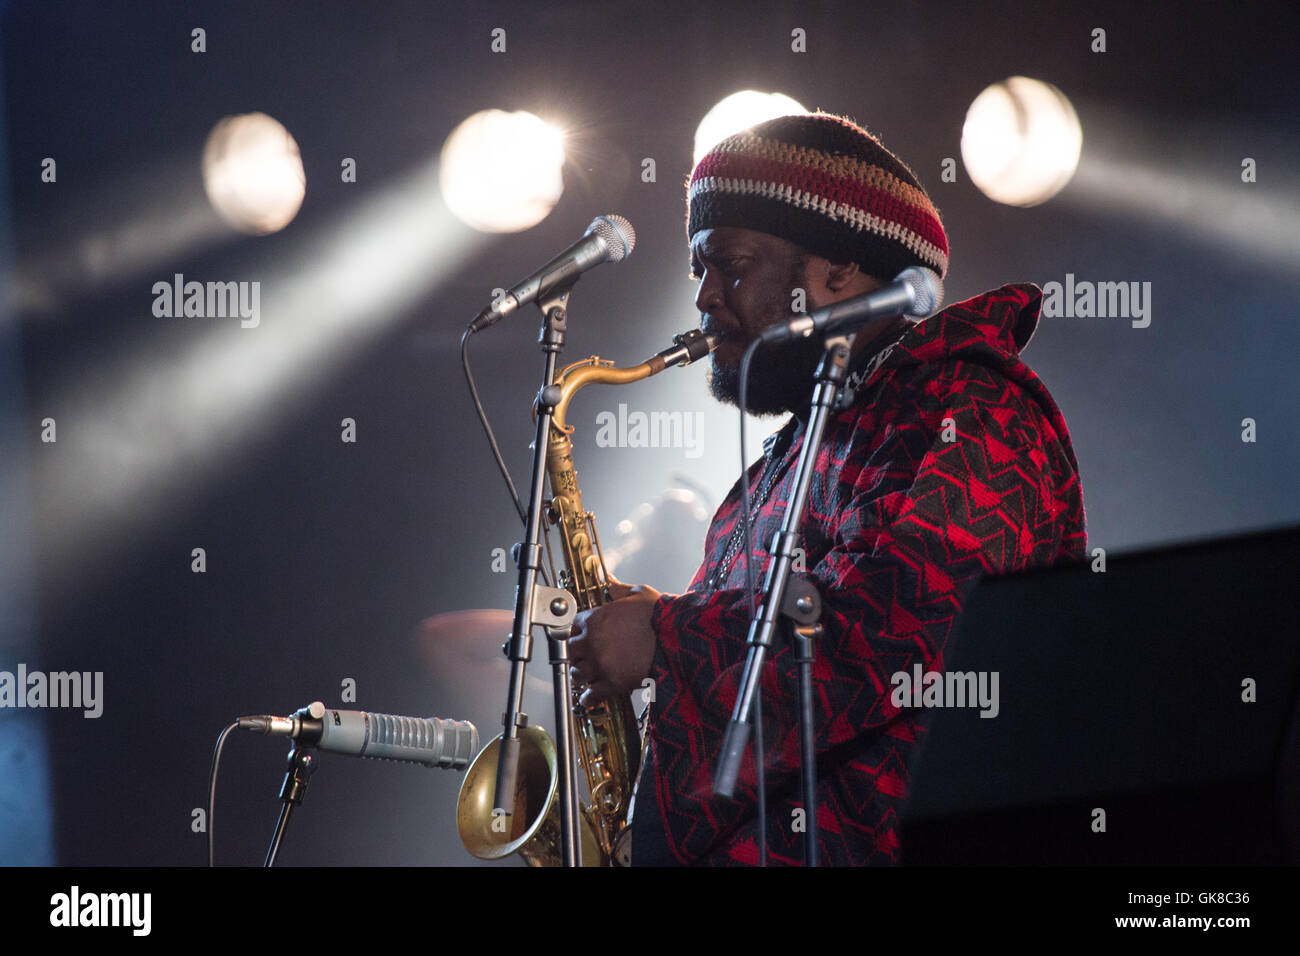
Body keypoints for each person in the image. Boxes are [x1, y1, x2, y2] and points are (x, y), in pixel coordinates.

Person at [567, 112, 1087, 865]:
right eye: (698, 271)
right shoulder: (778, 468)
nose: (707, 297)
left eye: (733, 265)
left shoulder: (972, 408)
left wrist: (668, 637)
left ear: (839, 269)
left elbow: (908, 634)